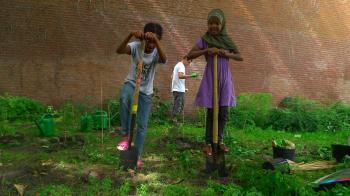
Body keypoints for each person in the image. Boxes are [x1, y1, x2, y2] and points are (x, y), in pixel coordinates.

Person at [186, 9, 243, 156]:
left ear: (222, 24)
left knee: (223, 112)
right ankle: (208, 143)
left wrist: (227, 53)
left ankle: (220, 140)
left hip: (225, 78)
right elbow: (190, 54)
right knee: (212, 112)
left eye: (217, 23)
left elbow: (239, 56)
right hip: (211, 77)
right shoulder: (204, 39)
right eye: (211, 23)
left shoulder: (227, 40)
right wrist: (206, 51)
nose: (213, 26)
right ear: (208, 24)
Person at [116, 22, 167, 167]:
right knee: (124, 97)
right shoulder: (136, 46)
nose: (151, 44)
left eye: (154, 40)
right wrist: (130, 35)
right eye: (149, 40)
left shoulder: (158, 51)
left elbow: (164, 60)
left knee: (142, 125)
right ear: (143, 37)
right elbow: (119, 50)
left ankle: (136, 156)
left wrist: (156, 42)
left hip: (146, 92)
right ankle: (126, 136)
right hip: (132, 84)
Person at [171, 56, 198, 125]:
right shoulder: (181, 66)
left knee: (179, 105)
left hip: (178, 89)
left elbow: (173, 76)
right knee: (178, 106)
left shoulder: (177, 65)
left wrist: (183, 88)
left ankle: (175, 121)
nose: (189, 63)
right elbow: (180, 76)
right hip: (178, 90)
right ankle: (174, 122)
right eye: (189, 61)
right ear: (186, 58)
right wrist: (191, 76)